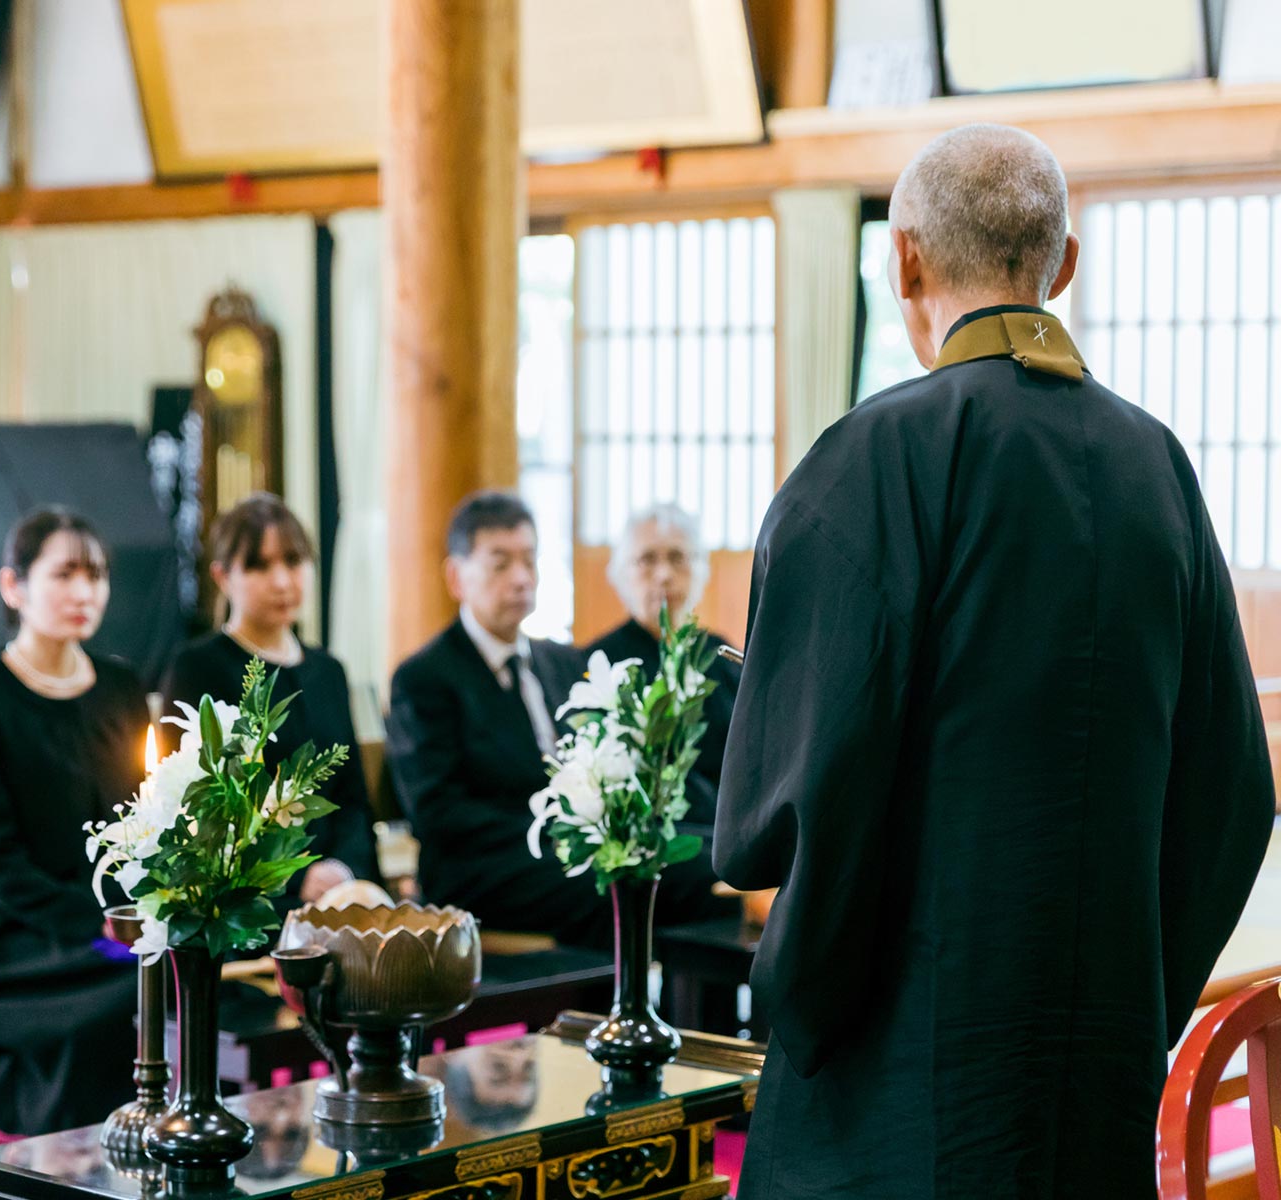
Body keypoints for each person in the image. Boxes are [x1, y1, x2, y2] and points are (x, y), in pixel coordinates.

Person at [713, 123, 1274, 1197]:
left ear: (904, 258)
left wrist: (809, 998)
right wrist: (1128, 998)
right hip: (1092, 1075)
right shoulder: (1155, 464)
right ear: (1061, 267)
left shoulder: (872, 460)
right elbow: (1231, 794)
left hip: (900, 1073)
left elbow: (798, 799)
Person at [388, 492, 734, 947]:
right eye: (500, 564)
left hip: (567, 849)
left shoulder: (562, 662)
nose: (520, 578)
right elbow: (436, 813)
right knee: (637, 874)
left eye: (529, 561)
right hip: (484, 868)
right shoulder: (426, 677)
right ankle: (621, 1010)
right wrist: (565, 828)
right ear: (457, 577)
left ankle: (675, 1004)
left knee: (710, 851)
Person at [0, 507, 144, 1136]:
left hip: (120, 913)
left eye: (98, 575)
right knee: (121, 985)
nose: (85, 592)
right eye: (65, 575)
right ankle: (79, 1157)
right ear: (13, 587)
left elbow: (147, 822)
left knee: (193, 965)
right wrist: (100, 924)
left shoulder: (122, 686)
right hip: (18, 926)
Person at [161, 493, 379, 909]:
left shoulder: (328, 670)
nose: (282, 581)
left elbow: (353, 798)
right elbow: (196, 809)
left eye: (294, 562)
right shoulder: (197, 668)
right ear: (223, 576)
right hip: (250, 899)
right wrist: (297, 876)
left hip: (342, 889)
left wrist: (343, 870)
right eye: (259, 566)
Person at [585, 504, 740, 826]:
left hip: (728, 831)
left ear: (701, 568)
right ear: (620, 573)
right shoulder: (600, 663)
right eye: (647, 559)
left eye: (678, 558)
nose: (664, 575)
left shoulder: (722, 655)